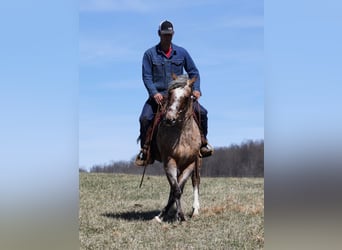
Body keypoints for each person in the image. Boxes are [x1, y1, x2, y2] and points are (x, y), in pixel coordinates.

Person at [135, 20, 213, 166]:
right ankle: (146, 152)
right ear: (159, 34)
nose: (167, 37)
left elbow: (193, 71)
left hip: (179, 96)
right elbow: (147, 76)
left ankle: (203, 143)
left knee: (202, 113)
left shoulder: (182, 52)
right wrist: (154, 93)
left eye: (170, 35)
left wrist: (196, 89)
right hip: (159, 97)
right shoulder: (149, 54)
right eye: (165, 35)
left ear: (173, 34)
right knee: (145, 118)